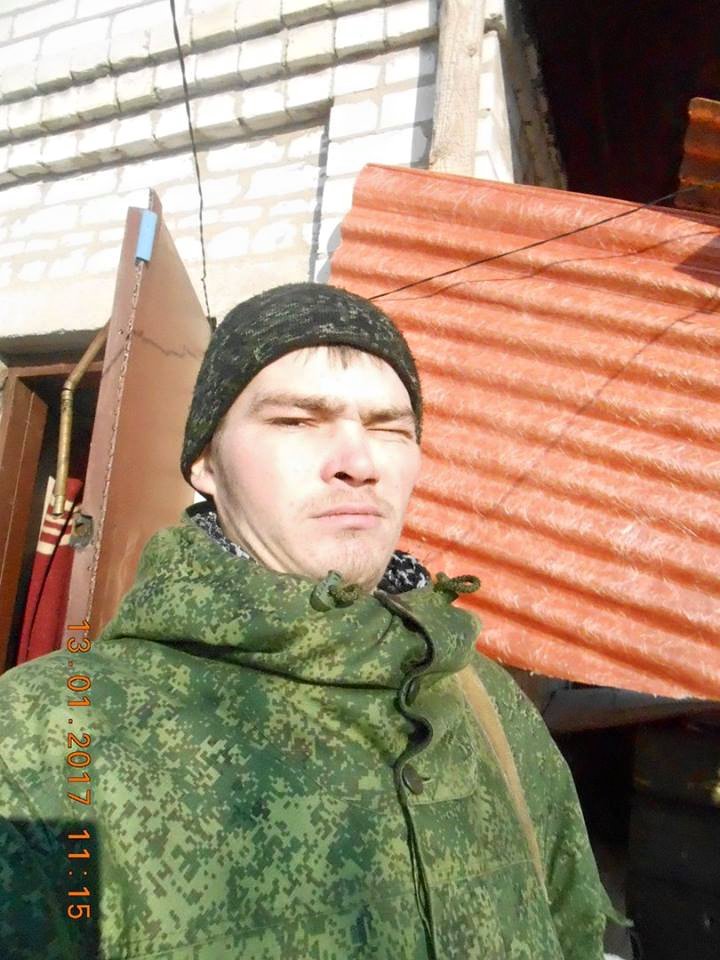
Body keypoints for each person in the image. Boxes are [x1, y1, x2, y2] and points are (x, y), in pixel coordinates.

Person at [0, 283, 620, 959]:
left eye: (389, 428)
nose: (359, 464)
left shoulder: (486, 701)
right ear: (205, 462)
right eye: (297, 421)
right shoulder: (44, 739)